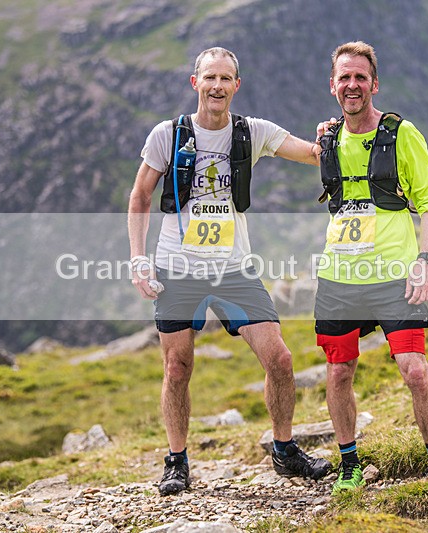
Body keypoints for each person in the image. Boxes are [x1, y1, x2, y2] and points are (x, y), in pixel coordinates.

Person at [128, 46, 332, 496]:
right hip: (177, 268)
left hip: (235, 269)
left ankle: (284, 450)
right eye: (210, 77)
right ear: (195, 82)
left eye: (225, 79)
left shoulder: (252, 132)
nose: (217, 86)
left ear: (236, 85)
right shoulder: (167, 135)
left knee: (280, 359)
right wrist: (138, 259)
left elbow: (312, 153)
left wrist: (328, 134)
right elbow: (140, 195)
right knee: (177, 367)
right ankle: (176, 461)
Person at [314, 41, 428, 494]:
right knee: (339, 371)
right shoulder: (329, 138)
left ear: (374, 84)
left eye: (360, 77)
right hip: (339, 278)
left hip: (395, 275)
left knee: (414, 368)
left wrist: (424, 262)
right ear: (332, 85)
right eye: (344, 77)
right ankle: (349, 465)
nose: (352, 85)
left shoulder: (401, 133)